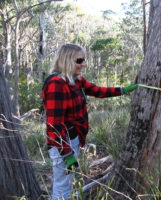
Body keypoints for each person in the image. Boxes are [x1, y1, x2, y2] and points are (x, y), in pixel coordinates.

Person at [42, 43, 138, 199]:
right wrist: (67, 155)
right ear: (67, 60)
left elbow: (97, 90)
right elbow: (55, 125)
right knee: (62, 185)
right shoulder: (56, 84)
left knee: (67, 182)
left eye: (83, 60)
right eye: (79, 60)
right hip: (62, 145)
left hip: (73, 139)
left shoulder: (76, 80)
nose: (83, 64)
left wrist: (123, 90)